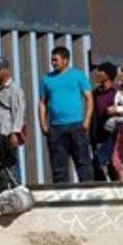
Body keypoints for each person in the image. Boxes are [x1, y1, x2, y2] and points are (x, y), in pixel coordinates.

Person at [38, 46, 93, 183]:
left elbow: (89, 98)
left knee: (83, 163)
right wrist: (43, 124)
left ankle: (88, 191)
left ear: (65, 60)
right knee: (59, 166)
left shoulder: (78, 75)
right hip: (56, 128)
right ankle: (62, 193)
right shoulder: (46, 79)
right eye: (52, 60)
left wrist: (87, 120)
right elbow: (42, 102)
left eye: (56, 60)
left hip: (76, 125)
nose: (53, 63)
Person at [0, 57, 25, 181]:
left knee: (12, 162)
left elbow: (18, 112)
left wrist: (15, 133)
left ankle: (16, 185)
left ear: (6, 70)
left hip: (7, 131)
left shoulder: (14, 89)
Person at [89, 62, 118, 181]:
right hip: (100, 134)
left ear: (108, 75)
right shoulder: (95, 93)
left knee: (116, 165)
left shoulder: (117, 92)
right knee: (98, 164)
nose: (97, 73)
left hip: (115, 133)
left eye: (101, 71)